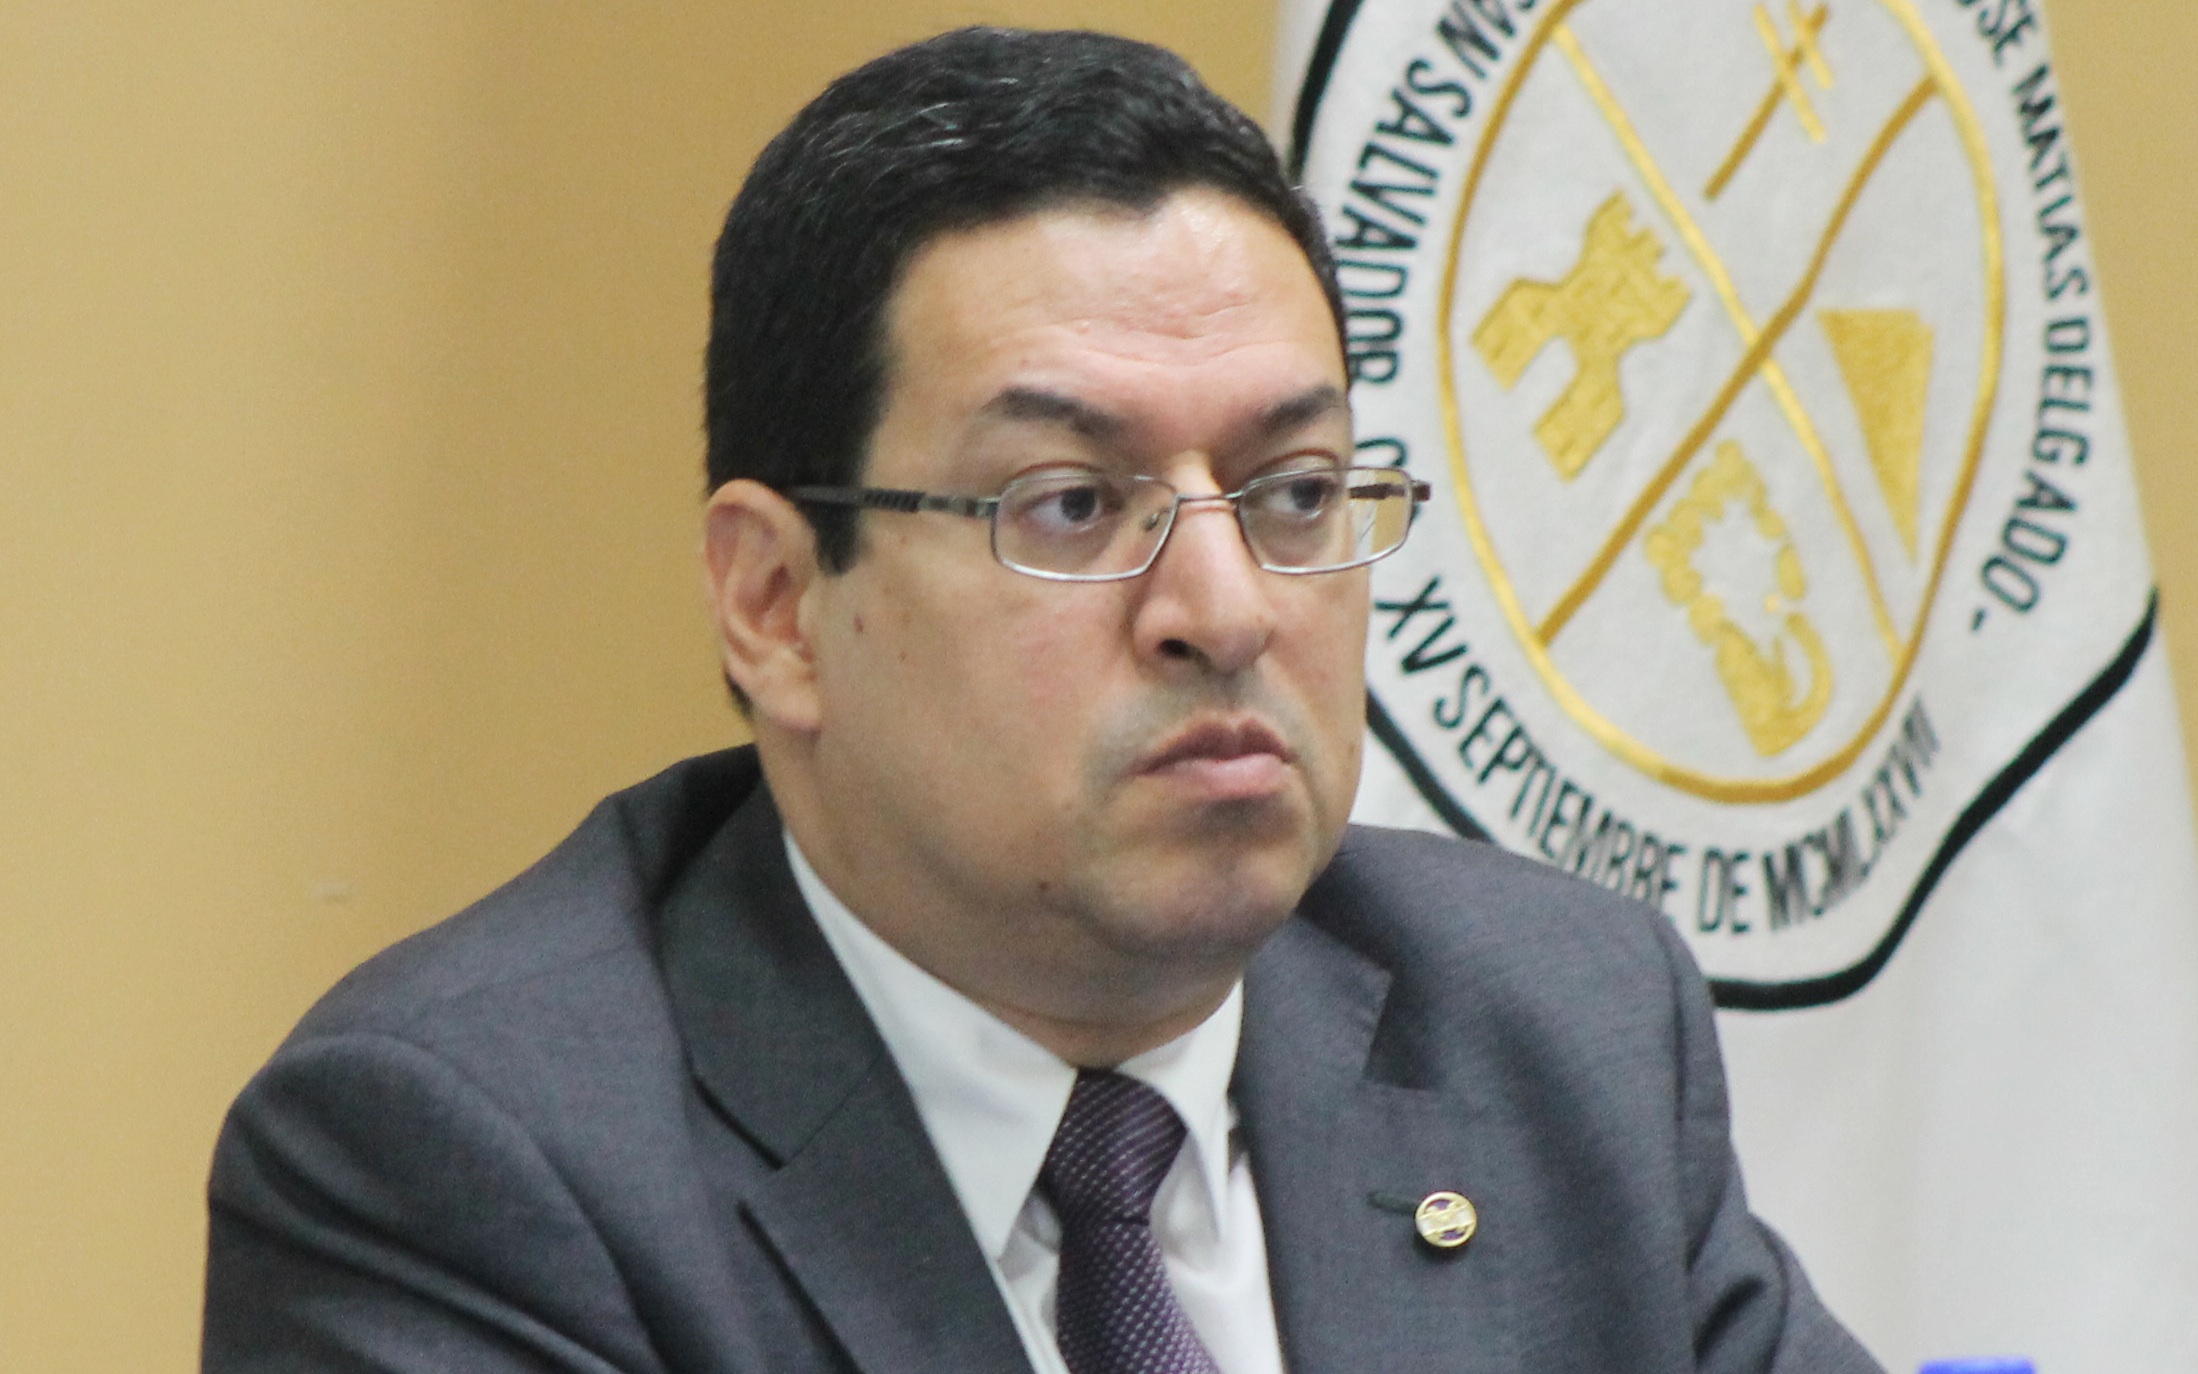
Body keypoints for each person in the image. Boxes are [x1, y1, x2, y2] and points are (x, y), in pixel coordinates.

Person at [202, 26, 1881, 1374]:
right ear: (776, 604)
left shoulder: (1552, 1025)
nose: (1226, 608)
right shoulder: (469, 1159)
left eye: (1296, 493)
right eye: (1071, 505)